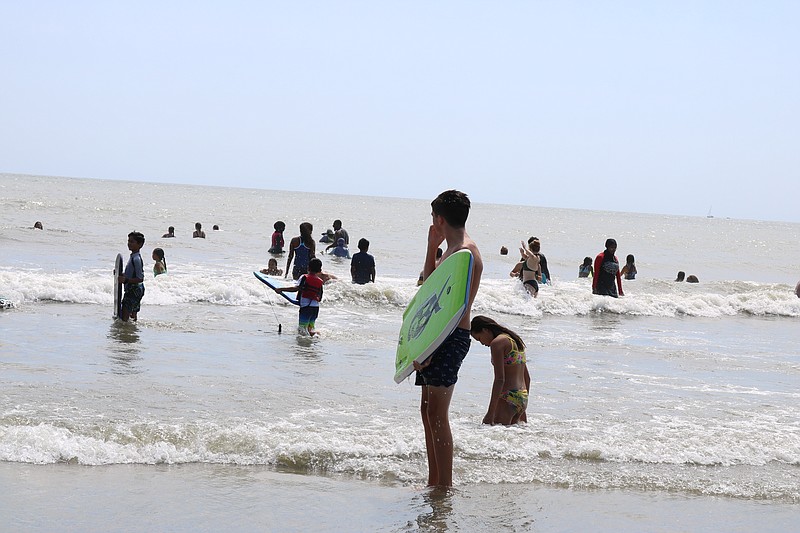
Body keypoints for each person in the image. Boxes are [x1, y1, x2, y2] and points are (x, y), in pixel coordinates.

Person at [411, 189, 483, 488]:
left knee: (438, 415)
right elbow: (429, 290)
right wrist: (431, 248)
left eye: (432, 218)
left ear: (440, 219)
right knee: (427, 410)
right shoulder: (452, 252)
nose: (432, 222)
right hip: (439, 338)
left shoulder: (465, 254)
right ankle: (433, 481)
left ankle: (444, 486)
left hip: (450, 339)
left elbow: (457, 309)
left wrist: (433, 346)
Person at [470, 315, 531, 426]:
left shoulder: (497, 343)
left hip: (507, 397)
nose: (482, 343)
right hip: (522, 396)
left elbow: (500, 379)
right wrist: (523, 408)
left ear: (485, 330)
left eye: (479, 338)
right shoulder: (515, 340)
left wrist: (490, 412)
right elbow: (527, 378)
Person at [275, 258, 324, 336]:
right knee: (309, 329)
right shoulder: (320, 281)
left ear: (308, 267)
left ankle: (317, 335)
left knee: (302, 331)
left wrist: (281, 289)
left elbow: (296, 288)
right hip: (315, 308)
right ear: (319, 270)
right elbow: (320, 297)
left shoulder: (304, 277)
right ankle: (314, 338)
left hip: (306, 307)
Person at [119, 232, 146, 322]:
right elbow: (131, 273)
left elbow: (140, 278)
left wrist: (126, 280)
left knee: (125, 316)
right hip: (135, 288)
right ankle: (132, 331)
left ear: (140, 245)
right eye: (128, 241)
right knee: (132, 315)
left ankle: (127, 332)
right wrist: (120, 274)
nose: (129, 243)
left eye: (132, 242)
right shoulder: (133, 257)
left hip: (134, 289)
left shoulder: (136, 259)